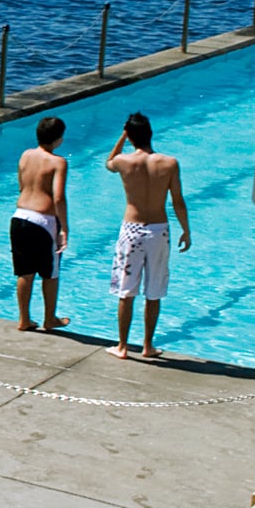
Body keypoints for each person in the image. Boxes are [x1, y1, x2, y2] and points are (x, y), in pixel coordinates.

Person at [105, 112, 191, 359]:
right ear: (151, 134)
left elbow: (108, 163)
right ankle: (148, 346)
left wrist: (123, 136)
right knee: (154, 292)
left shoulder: (123, 161)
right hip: (158, 230)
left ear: (130, 136)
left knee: (126, 290)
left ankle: (122, 346)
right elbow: (178, 201)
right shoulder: (170, 163)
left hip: (131, 230)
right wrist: (186, 229)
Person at [11, 116, 72, 331]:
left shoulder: (25, 155)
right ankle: (49, 319)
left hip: (19, 217)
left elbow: (21, 185)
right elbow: (58, 197)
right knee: (50, 273)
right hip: (43, 221)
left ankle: (24, 319)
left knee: (24, 272)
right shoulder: (58, 162)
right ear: (59, 139)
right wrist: (64, 227)